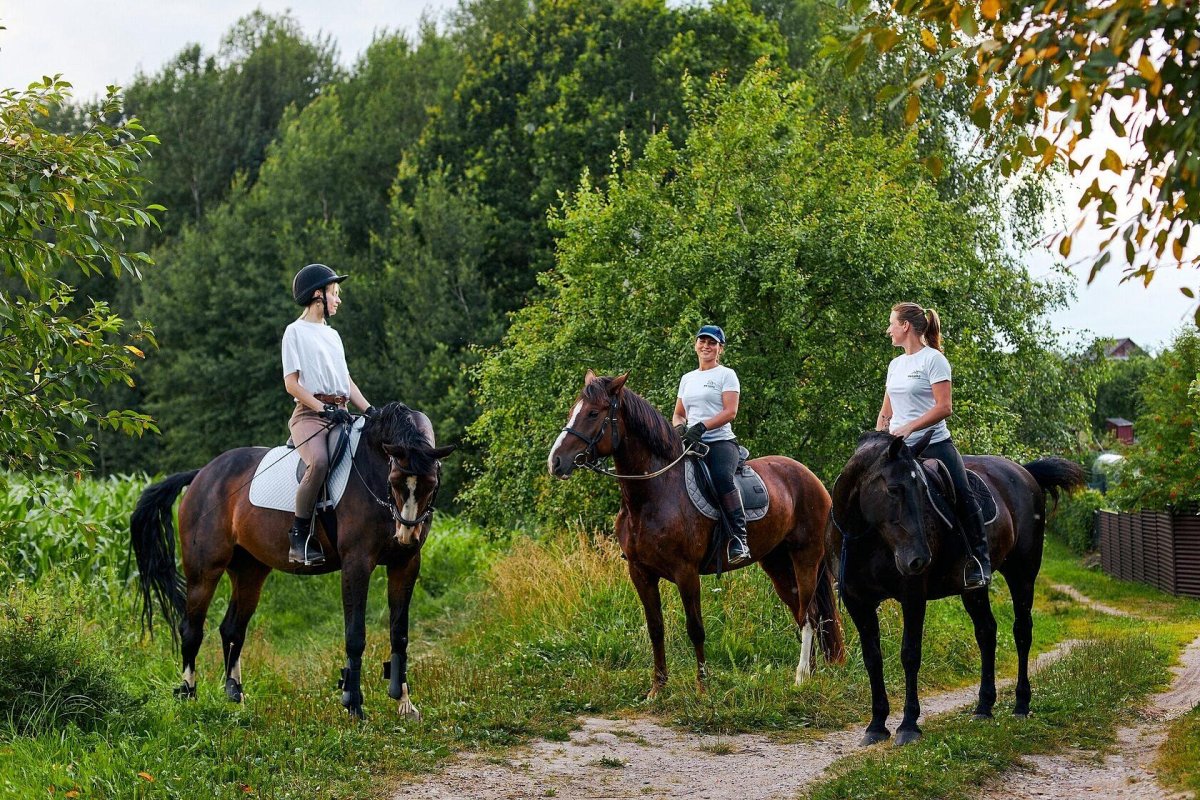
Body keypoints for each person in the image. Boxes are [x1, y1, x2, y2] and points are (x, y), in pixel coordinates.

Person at [876, 302, 991, 590]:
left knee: (963, 494)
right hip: (899, 449)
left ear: (905, 326)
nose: (888, 329)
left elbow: (945, 407)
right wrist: (878, 438)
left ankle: (979, 561)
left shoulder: (934, 360)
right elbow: (886, 412)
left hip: (934, 445)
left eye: (891, 323)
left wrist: (911, 427)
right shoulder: (895, 365)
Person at [281, 263, 374, 566]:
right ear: (318, 295)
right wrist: (323, 409)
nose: (338, 300)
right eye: (335, 294)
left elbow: (346, 381)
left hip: (341, 412)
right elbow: (291, 384)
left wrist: (370, 409)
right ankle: (299, 538)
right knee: (319, 462)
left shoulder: (333, 336)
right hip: (309, 415)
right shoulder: (294, 332)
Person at [673, 324, 750, 566]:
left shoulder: (726, 375)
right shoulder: (687, 378)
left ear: (720, 349)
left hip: (720, 442)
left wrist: (703, 427)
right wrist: (680, 428)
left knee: (721, 478)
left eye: (712, 342)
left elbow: (730, 411)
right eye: (702, 341)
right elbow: (678, 413)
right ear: (695, 344)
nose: (706, 346)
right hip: (690, 443)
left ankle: (739, 538)